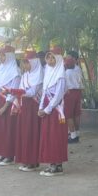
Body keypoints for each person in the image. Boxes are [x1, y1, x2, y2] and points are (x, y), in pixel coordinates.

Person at [37, 48, 68, 176]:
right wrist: (40, 107)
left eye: (52, 58)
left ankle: (57, 165)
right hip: (46, 109)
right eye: (48, 58)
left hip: (55, 110)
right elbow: (44, 91)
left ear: (58, 59)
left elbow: (59, 95)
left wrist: (47, 109)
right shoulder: (48, 72)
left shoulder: (61, 74)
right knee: (47, 136)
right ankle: (52, 163)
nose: (50, 60)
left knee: (55, 137)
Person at [0, 46, 21, 166]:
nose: (1, 58)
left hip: (9, 104)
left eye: (3, 55)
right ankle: (1, 153)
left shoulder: (15, 71)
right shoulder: (0, 70)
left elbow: (14, 90)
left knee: (9, 129)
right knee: (0, 129)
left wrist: (5, 106)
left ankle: (9, 154)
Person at [14, 50, 43, 172]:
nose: (25, 66)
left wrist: (18, 92)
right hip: (25, 106)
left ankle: (32, 161)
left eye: (27, 63)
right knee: (24, 133)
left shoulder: (39, 75)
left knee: (32, 133)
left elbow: (32, 92)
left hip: (33, 107)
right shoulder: (25, 75)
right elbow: (22, 89)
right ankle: (26, 159)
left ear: (34, 62)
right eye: (24, 63)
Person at [64, 51, 84, 143]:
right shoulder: (78, 69)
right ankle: (76, 133)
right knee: (76, 114)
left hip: (69, 93)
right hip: (77, 92)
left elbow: (64, 85)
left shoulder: (66, 72)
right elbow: (80, 82)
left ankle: (73, 135)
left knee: (69, 115)